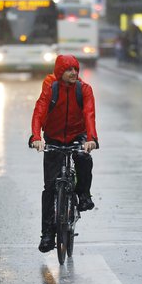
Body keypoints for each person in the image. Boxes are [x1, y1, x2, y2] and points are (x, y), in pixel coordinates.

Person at [29, 54, 99, 253]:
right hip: (54, 137)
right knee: (50, 187)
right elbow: (39, 111)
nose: (74, 73)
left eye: (76, 69)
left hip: (79, 134)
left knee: (84, 157)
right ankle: (47, 234)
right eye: (69, 70)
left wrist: (92, 138)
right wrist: (36, 137)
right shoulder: (51, 88)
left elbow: (89, 114)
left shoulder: (84, 89)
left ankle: (83, 194)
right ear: (60, 72)